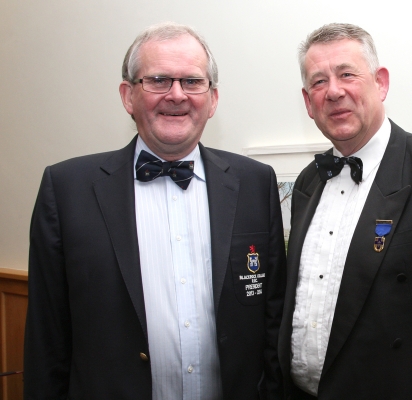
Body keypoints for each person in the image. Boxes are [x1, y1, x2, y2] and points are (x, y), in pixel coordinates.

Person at [24, 22, 286, 400]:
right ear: (128, 96)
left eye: (192, 82)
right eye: (158, 80)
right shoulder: (66, 190)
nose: (176, 95)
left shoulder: (255, 183)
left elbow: (273, 319)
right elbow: (46, 338)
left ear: (213, 99)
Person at [278, 23, 412, 399]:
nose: (334, 91)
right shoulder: (307, 182)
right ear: (308, 102)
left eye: (347, 74)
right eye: (319, 82)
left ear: (380, 83)